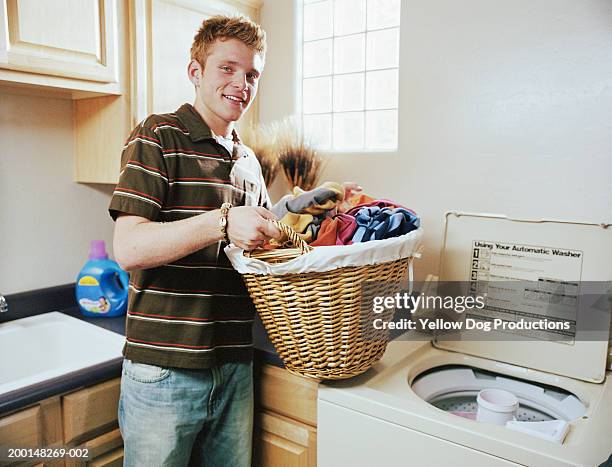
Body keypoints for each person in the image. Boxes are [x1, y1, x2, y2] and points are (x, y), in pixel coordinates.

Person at [109, 15, 280, 467]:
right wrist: (222, 222)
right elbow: (128, 248)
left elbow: (261, 255)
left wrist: (294, 225)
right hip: (164, 372)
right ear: (195, 72)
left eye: (251, 74)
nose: (241, 83)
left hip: (233, 367)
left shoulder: (249, 162)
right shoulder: (158, 135)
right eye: (228, 68)